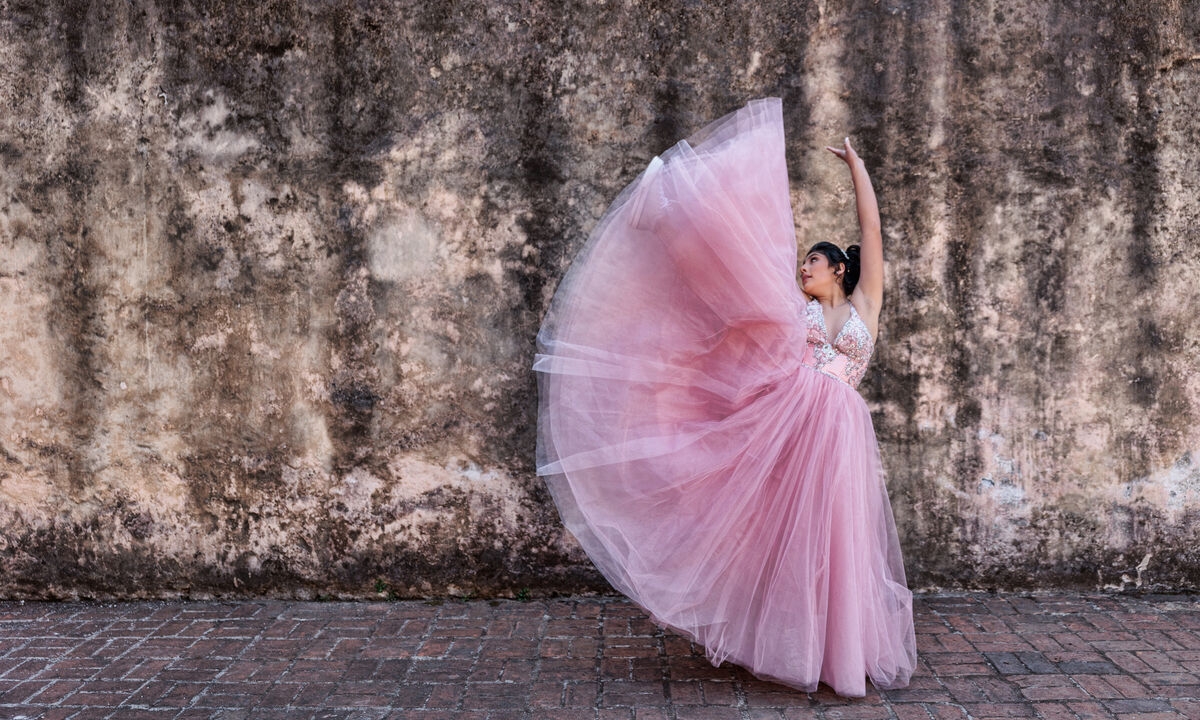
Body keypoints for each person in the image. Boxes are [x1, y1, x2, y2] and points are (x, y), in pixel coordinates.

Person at [533, 98, 915, 696]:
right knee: (777, 531)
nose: (802, 271)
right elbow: (729, 291)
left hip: (838, 424)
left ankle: (834, 651)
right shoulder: (798, 313)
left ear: (838, 268)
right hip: (789, 419)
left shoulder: (866, 303)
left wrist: (857, 168)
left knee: (834, 539)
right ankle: (666, 216)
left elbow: (872, 231)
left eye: (811, 262)